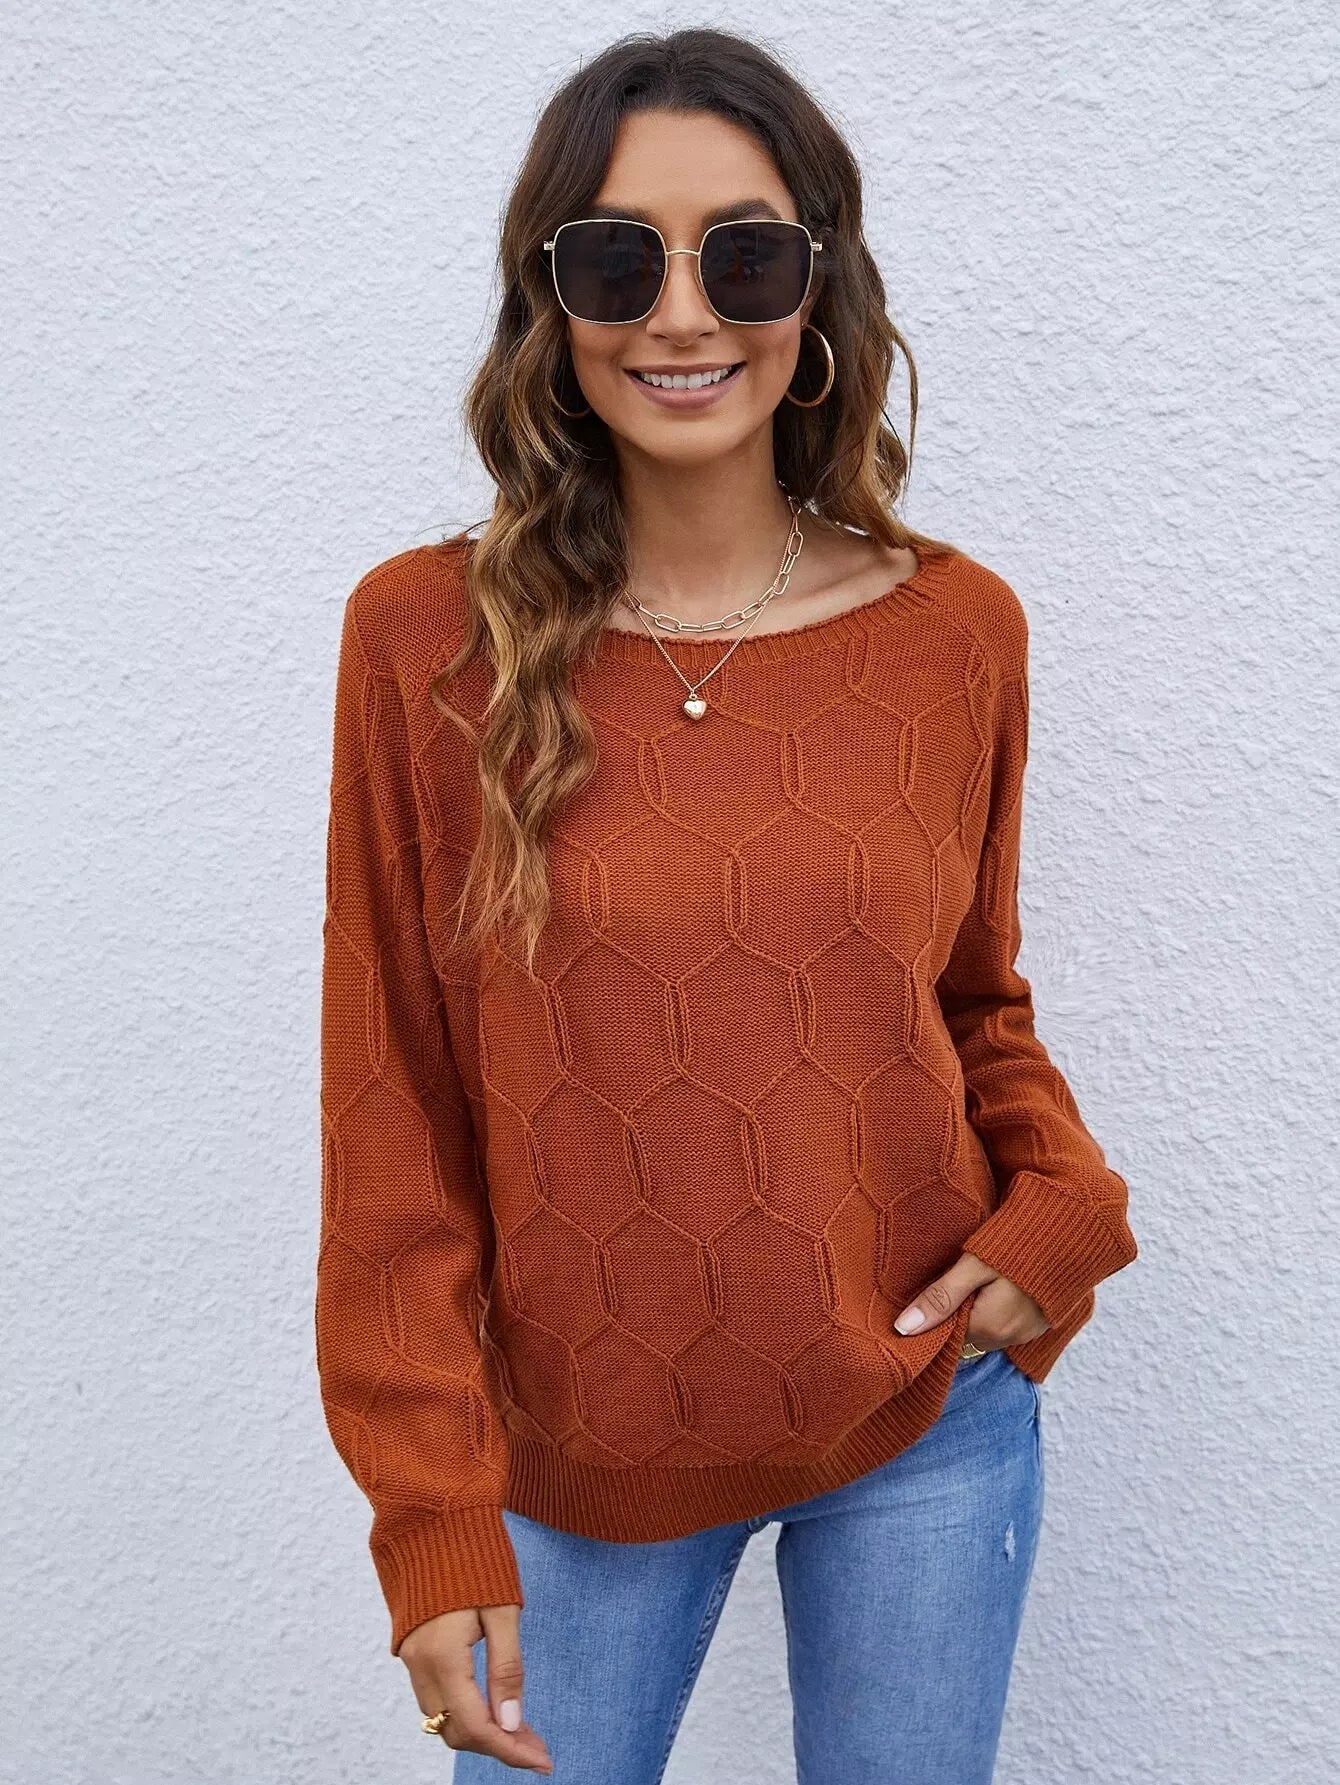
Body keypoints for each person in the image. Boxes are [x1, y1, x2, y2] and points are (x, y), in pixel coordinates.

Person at [316, 27, 1139, 1783]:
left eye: (743, 255)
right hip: (582, 1457)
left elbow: (968, 996)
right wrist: (430, 1511)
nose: (682, 313)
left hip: (925, 1414)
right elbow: (393, 1116)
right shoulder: (422, 642)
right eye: (619, 258)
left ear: (817, 285)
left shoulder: (955, 630)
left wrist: (1062, 1197)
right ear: (550, 298)